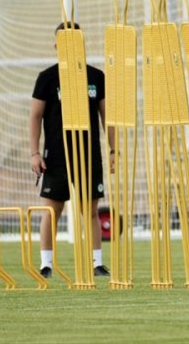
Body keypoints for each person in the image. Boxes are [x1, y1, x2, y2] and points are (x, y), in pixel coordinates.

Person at [29, 22, 115, 278]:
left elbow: (106, 117)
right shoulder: (47, 78)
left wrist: (114, 150)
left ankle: (96, 262)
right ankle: (46, 264)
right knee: (52, 211)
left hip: (89, 154)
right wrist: (34, 152)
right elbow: (34, 116)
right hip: (56, 155)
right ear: (55, 46)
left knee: (89, 210)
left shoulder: (96, 77)